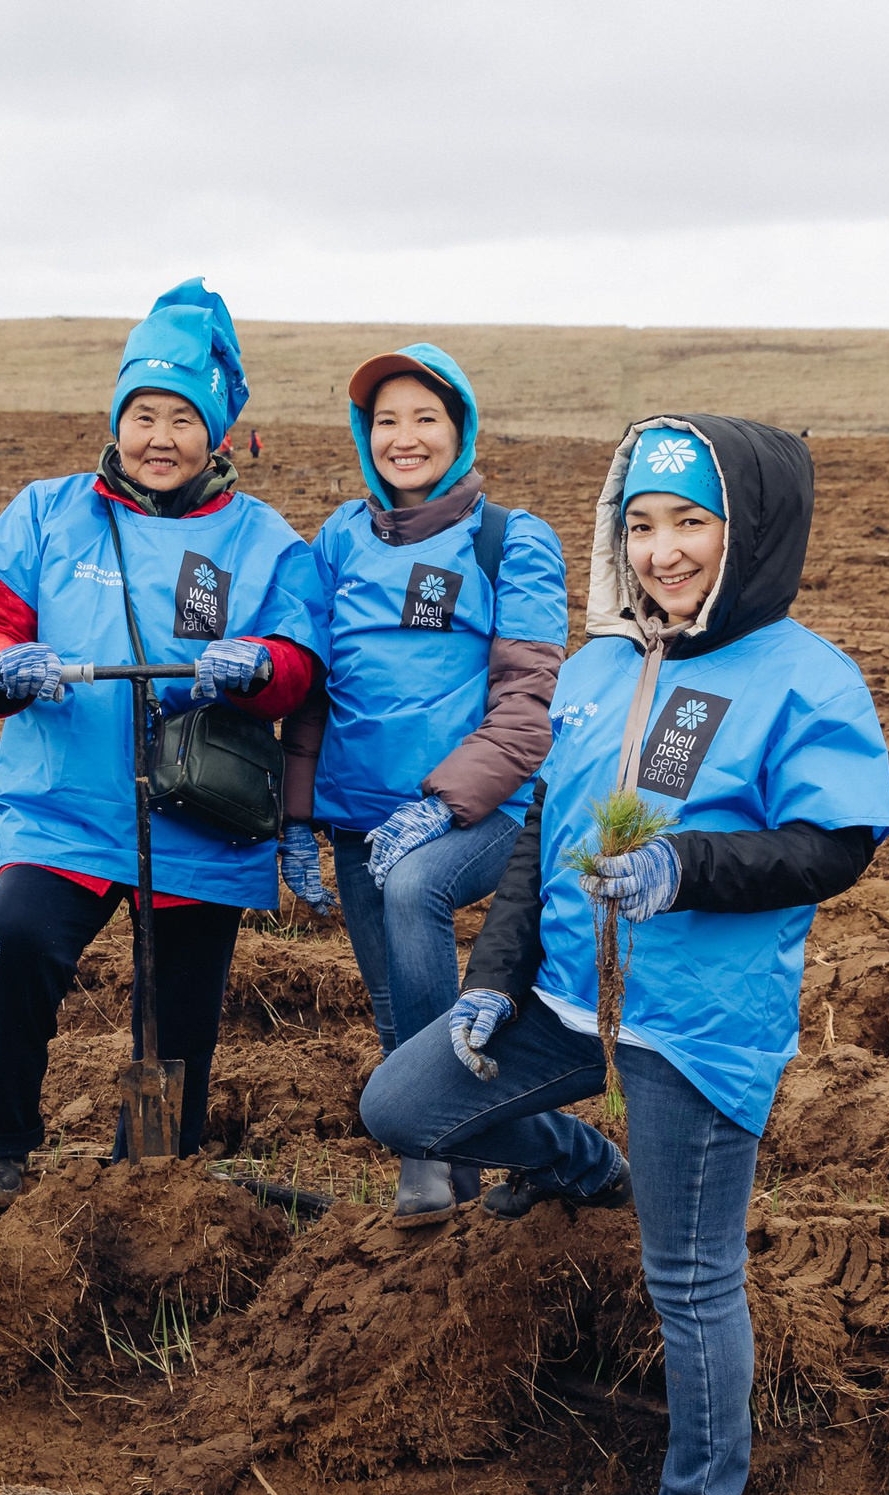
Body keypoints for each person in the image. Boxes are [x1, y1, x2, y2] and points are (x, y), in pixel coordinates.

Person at [358, 415, 889, 1495]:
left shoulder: (806, 677)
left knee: (689, 1278)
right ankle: (583, 1164)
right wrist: (493, 978)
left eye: (690, 523)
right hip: (560, 997)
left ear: (746, 535)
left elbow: (835, 844)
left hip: (691, 1022)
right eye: (641, 525)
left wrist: (684, 865)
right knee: (402, 1105)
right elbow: (541, 827)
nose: (662, 551)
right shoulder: (600, 664)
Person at [0, 279, 325, 1211]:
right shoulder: (50, 512)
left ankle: (150, 1179)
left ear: (217, 432)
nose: (160, 437)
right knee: (16, 947)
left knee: (177, 1015)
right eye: (142, 414)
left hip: (197, 819)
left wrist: (259, 665)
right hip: (65, 807)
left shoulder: (263, 540)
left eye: (182, 418)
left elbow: (300, 665)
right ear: (117, 420)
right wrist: (9, 665)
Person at [277, 345, 567, 1227]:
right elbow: (316, 683)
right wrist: (298, 819)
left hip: (484, 812)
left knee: (416, 887)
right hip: (362, 817)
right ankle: (461, 1165)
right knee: (395, 997)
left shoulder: (509, 538)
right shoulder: (338, 539)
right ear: (367, 437)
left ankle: (427, 1146)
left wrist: (441, 804)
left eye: (425, 419)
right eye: (386, 421)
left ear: (460, 428)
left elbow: (527, 704)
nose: (406, 438)